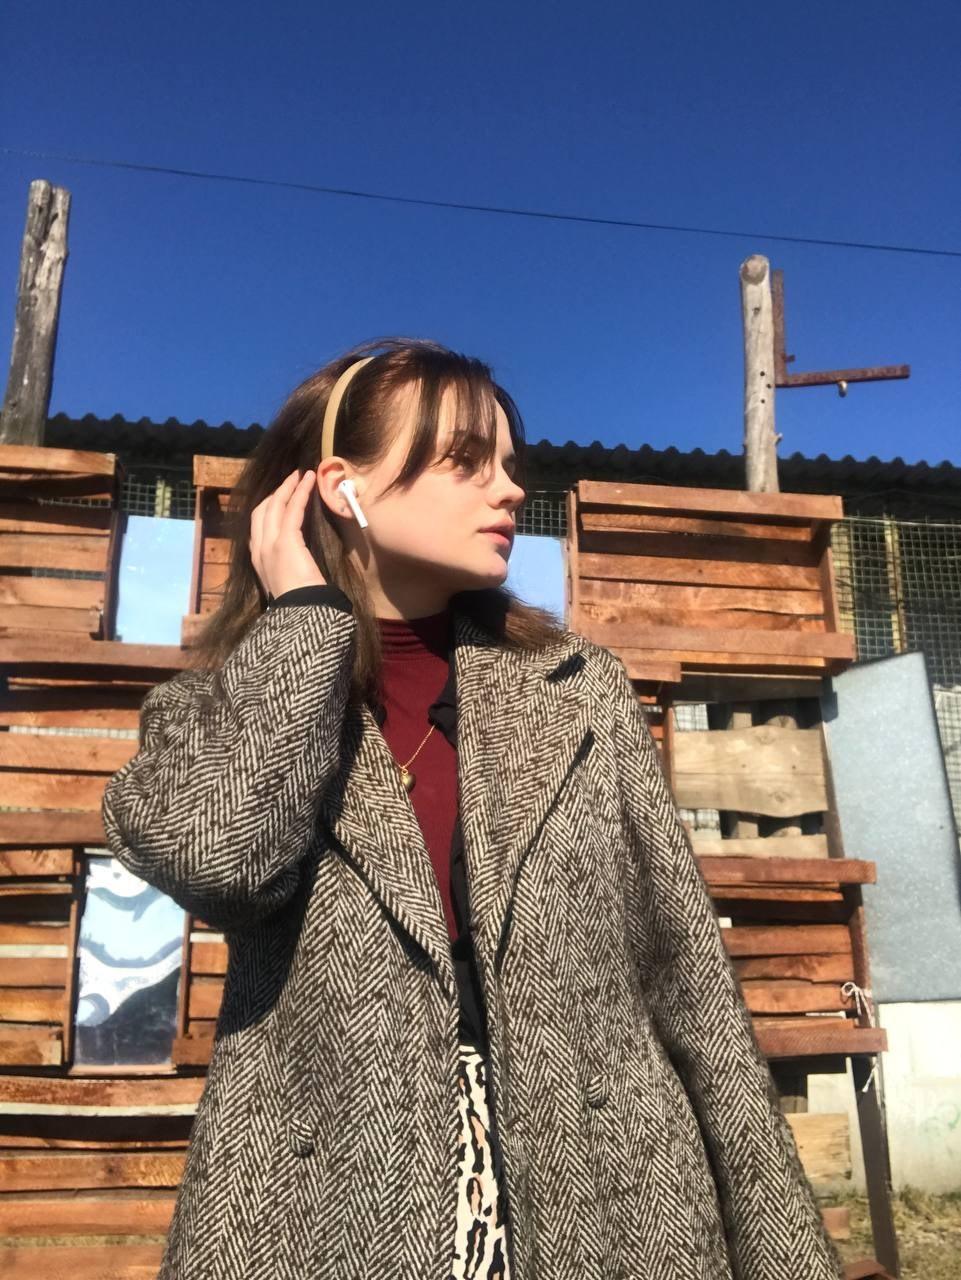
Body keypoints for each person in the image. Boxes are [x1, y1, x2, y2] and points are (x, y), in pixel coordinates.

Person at [102, 337, 845, 1280]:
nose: (509, 490)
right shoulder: (212, 711)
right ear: (342, 486)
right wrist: (304, 625)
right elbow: (219, 866)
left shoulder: (578, 690)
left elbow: (688, 979)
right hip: (320, 1213)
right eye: (465, 461)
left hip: (615, 1202)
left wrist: (783, 1254)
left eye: (507, 463)